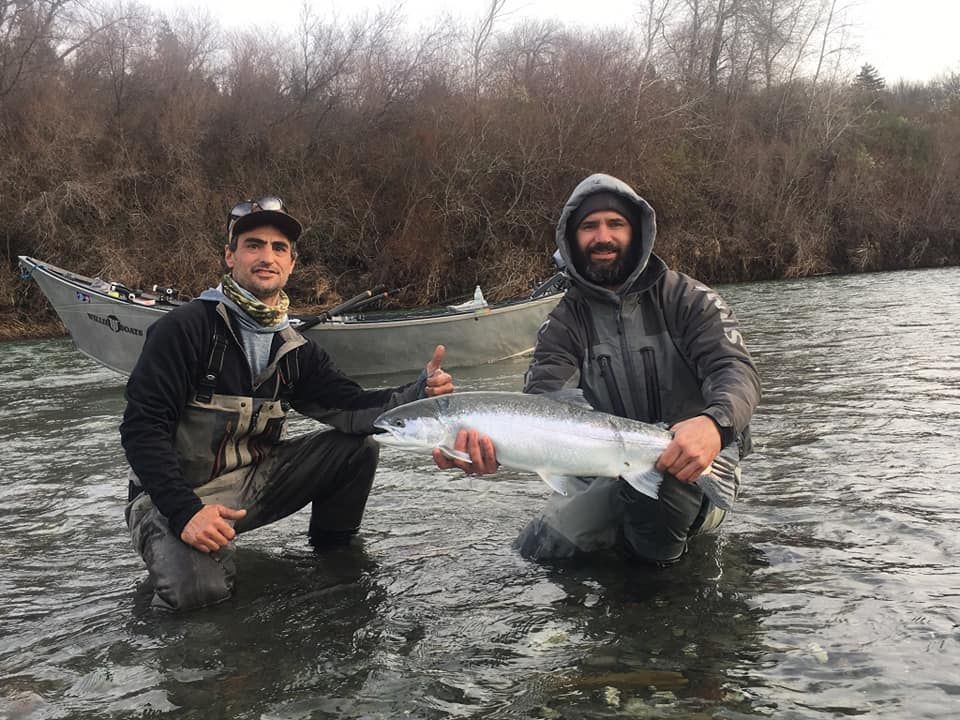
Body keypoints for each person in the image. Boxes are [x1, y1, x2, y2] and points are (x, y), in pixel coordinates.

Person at [121, 196, 454, 611]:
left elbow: (350, 408)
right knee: (199, 596)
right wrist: (186, 512)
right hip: (168, 496)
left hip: (253, 483)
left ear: (291, 264)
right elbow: (141, 430)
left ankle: (335, 562)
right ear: (230, 256)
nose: (267, 257)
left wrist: (418, 393)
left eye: (279, 249)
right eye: (253, 245)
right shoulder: (182, 329)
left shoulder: (297, 349)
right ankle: (169, 573)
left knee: (356, 449)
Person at [434, 173, 761, 565]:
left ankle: (660, 596)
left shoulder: (690, 299)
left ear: (637, 233)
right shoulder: (561, 325)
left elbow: (735, 371)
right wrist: (494, 448)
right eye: (589, 226)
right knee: (536, 555)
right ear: (572, 240)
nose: (602, 236)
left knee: (663, 498)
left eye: (615, 224)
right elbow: (540, 409)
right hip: (601, 475)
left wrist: (714, 423)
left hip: (698, 466)